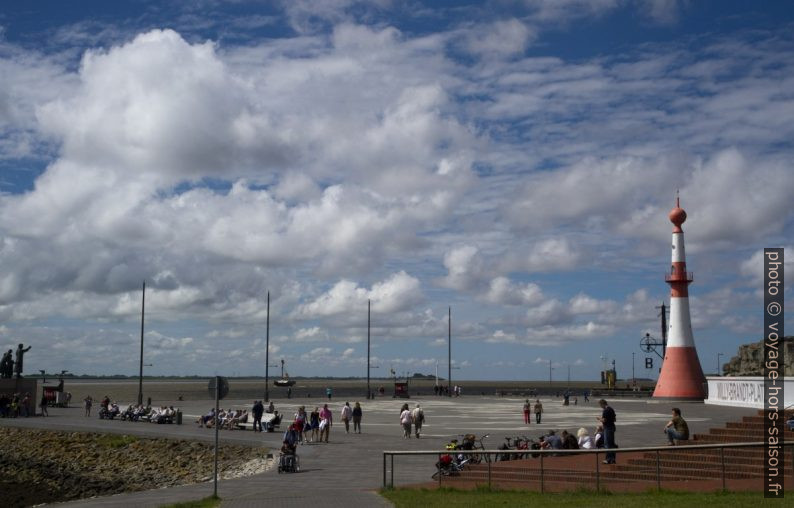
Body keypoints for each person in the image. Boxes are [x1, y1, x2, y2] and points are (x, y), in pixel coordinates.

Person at [597, 399, 617, 464]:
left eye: (600, 405)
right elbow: (614, 419)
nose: (600, 406)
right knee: (612, 444)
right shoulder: (611, 409)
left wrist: (599, 419)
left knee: (607, 444)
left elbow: (604, 420)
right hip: (612, 427)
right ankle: (613, 459)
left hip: (607, 428)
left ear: (602, 404)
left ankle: (608, 459)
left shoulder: (605, 410)